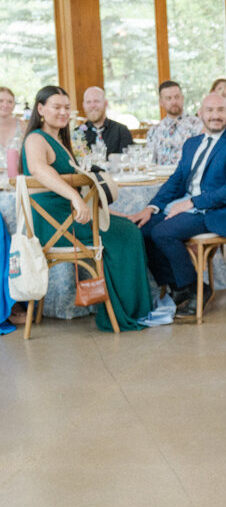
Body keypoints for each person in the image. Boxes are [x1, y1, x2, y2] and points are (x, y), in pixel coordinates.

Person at [21, 86, 151, 331]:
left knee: (126, 227)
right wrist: (75, 198)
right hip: (55, 224)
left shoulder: (60, 139)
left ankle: (130, 308)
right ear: (40, 109)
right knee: (126, 235)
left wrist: (106, 212)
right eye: (56, 107)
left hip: (67, 217)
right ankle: (123, 313)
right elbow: (39, 170)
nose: (63, 112)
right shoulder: (36, 138)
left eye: (66, 107)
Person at [129, 91, 226, 321]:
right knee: (142, 229)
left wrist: (192, 202)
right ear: (200, 114)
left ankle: (194, 287)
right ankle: (181, 288)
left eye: (220, 110)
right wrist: (152, 207)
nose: (215, 116)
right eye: (210, 110)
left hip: (219, 211)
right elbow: (176, 181)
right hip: (189, 207)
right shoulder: (192, 144)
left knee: (163, 232)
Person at [146, 80, 204, 167]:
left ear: (182, 98)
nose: (174, 101)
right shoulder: (154, 131)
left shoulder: (198, 125)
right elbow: (150, 162)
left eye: (177, 97)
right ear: (161, 102)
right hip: (161, 178)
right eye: (168, 98)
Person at [79, 86, 133, 157]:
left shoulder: (122, 131)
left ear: (106, 103)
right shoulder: (77, 134)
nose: (92, 105)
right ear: (84, 105)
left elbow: (128, 162)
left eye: (96, 101)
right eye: (88, 102)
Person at [0, 85, 24, 157]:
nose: (5, 105)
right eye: (0, 101)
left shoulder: (23, 126)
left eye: (10, 102)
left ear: (14, 104)